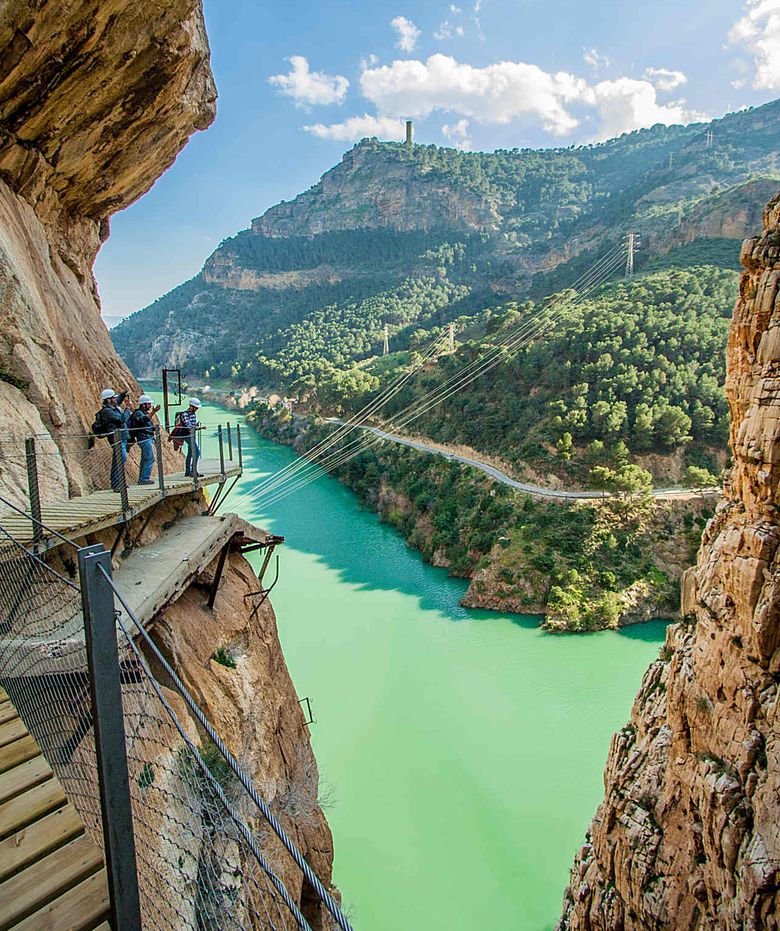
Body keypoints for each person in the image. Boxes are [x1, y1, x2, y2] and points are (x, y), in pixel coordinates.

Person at [96, 389, 132, 491]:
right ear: (108, 400)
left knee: (119, 459)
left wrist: (124, 394)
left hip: (121, 437)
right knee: (120, 459)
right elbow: (122, 419)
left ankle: (118, 484)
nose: (116, 399)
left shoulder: (112, 408)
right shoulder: (107, 411)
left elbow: (118, 400)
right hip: (116, 438)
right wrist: (128, 408)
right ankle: (117, 485)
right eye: (113, 398)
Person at [128, 395, 161, 485]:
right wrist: (154, 411)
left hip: (146, 438)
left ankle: (142, 478)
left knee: (145, 458)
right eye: (149, 404)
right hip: (144, 438)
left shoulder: (141, 413)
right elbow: (142, 420)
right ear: (143, 405)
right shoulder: (139, 413)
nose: (150, 405)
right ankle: (144, 478)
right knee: (149, 458)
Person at [179, 397, 203, 477]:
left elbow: (192, 425)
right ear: (191, 406)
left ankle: (188, 472)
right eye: (196, 408)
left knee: (190, 453)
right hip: (187, 435)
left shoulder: (193, 414)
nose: (197, 409)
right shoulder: (184, 414)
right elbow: (188, 426)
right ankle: (193, 471)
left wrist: (196, 425)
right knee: (196, 452)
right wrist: (198, 428)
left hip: (192, 435)